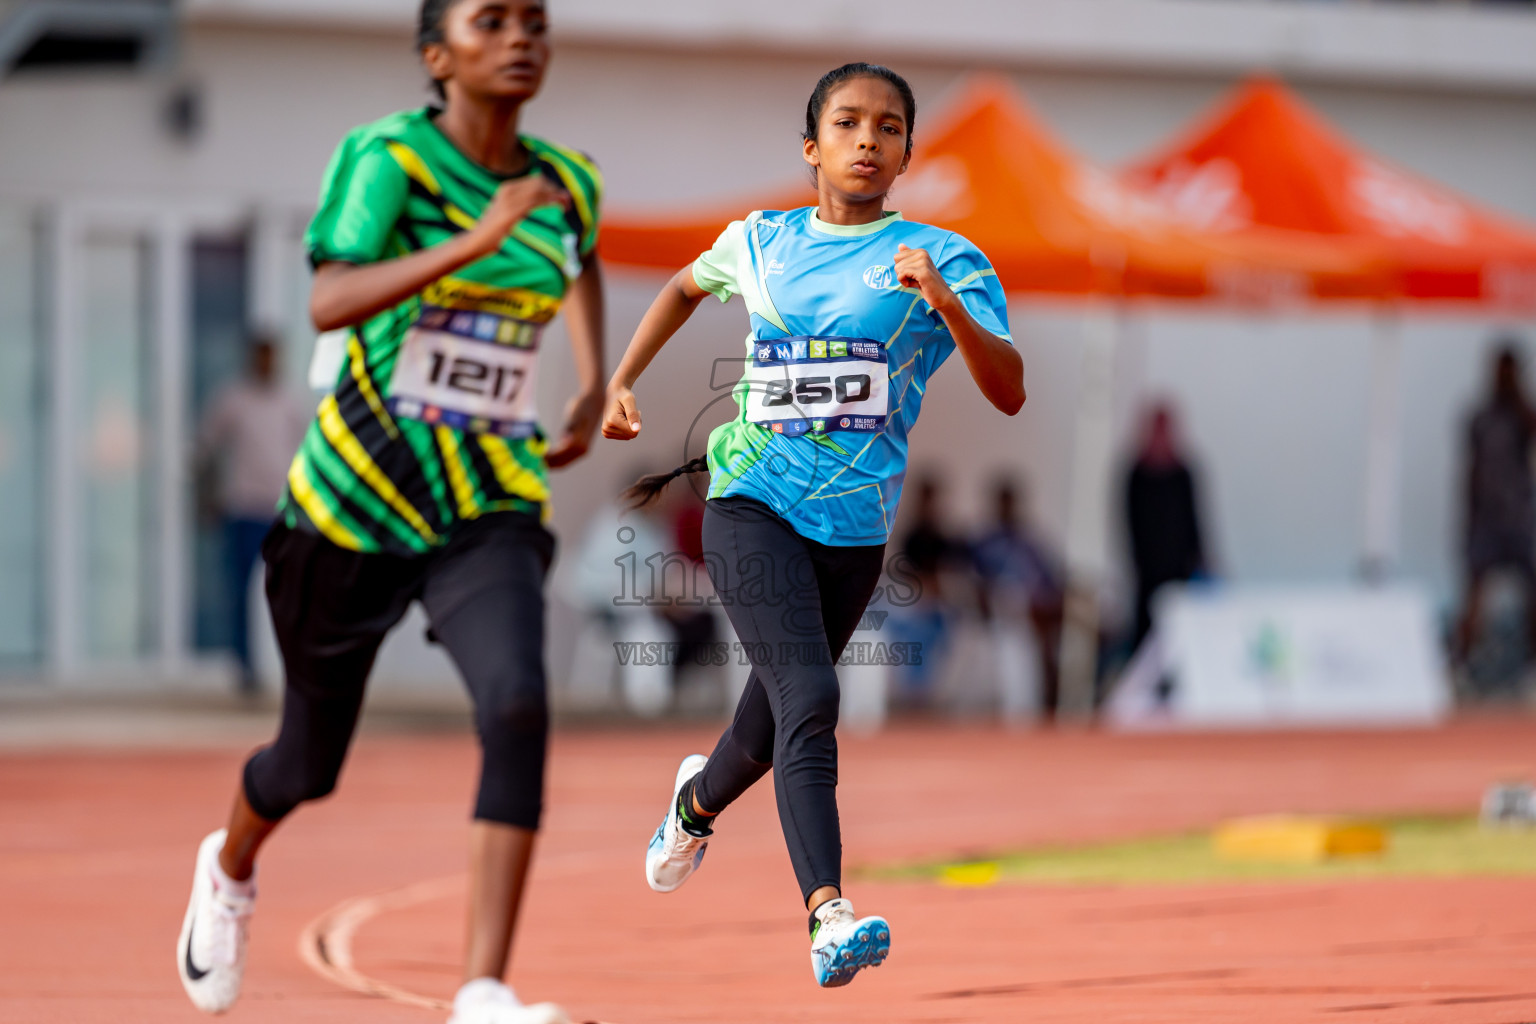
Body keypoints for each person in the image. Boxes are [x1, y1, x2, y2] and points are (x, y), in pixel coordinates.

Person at [175, 3, 604, 1023]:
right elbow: (329, 298)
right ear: (436, 55)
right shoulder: (388, 161)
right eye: (490, 20)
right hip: (352, 504)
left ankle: (483, 989)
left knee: (515, 702)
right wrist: (477, 238)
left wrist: (590, 381)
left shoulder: (569, 180)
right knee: (305, 765)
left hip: (488, 496)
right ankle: (229, 865)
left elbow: (579, 260)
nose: (520, 36)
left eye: (534, 19)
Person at [602, 62, 1024, 987]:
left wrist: (946, 306)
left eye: (887, 126)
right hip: (749, 502)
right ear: (812, 148)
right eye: (846, 123)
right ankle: (828, 916)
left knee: (764, 729)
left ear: (908, 150)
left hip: (855, 535)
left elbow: (1010, 391)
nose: (867, 138)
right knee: (815, 702)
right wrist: (623, 378)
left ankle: (692, 808)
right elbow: (680, 286)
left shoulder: (946, 257)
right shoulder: (760, 242)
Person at [194, 334, 311, 693]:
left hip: (281, 510)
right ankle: (245, 668)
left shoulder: (290, 402)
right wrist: (207, 498)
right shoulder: (233, 400)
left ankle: (293, 665)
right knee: (240, 592)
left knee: (292, 593)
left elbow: (308, 454)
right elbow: (205, 450)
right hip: (243, 508)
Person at [1455, 342, 1536, 665]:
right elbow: (1469, 472)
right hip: (1486, 521)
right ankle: (1461, 664)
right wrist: (1467, 518)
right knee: (1474, 593)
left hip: (1521, 519)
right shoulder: (1479, 418)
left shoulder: (1523, 415)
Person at [971, 476, 1064, 720]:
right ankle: (1020, 708)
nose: (1008, 508)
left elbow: (1050, 580)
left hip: (1038, 613)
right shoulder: (985, 544)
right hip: (1003, 615)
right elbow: (976, 584)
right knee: (1013, 617)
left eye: (1011, 502)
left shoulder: (1030, 543)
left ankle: (1047, 705)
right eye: (1003, 502)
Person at [1125, 402, 1207, 653]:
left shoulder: (1183, 472)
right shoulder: (1136, 474)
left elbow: (1195, 520)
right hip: (1148, 575)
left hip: (1181, 571)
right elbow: (1130, 525)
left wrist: (1200, 559)